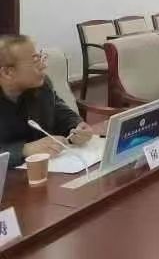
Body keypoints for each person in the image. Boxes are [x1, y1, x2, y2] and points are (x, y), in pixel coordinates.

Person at [0, 35, 93, 168]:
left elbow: (58, 111)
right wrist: (24, 149)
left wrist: (76, 126)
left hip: (46, 168)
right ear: (7, 72)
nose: (44, 65)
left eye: (40, 57)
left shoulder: (41, 86)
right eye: (35, 61)